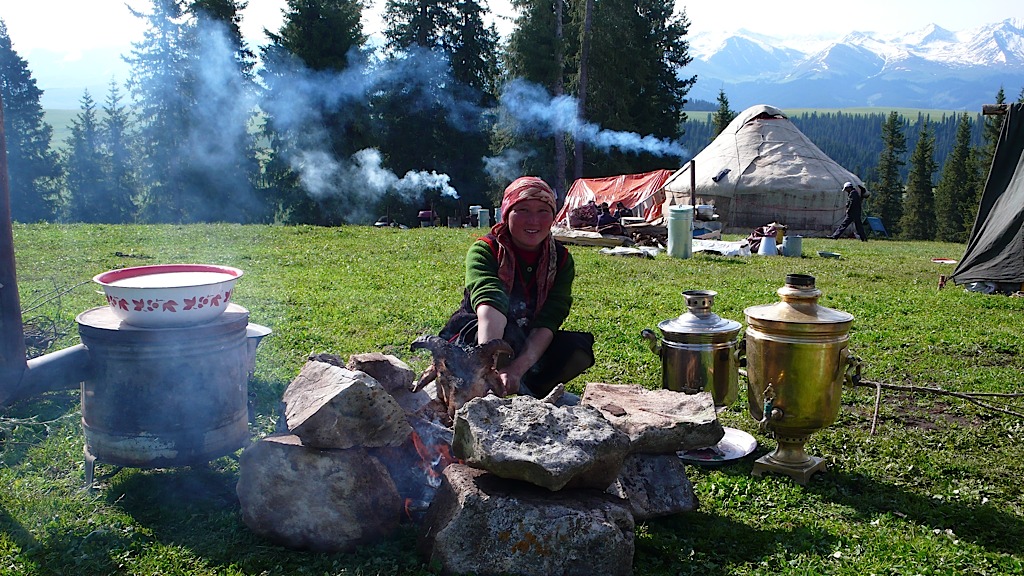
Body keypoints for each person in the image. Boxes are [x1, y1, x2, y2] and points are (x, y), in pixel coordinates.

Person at [439, 176, 595, 399]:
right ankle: (482, 385)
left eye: (543, 211)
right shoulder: (486, 250)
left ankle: (525, 388)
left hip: (527, 336)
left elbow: (549, 320)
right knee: (480, 341)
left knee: (577, 349)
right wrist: (487, 369)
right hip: (483, 334)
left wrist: (516, 370)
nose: (534, 221)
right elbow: (490, 305)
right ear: (506, 213)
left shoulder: (560, 260)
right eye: (522, 210)